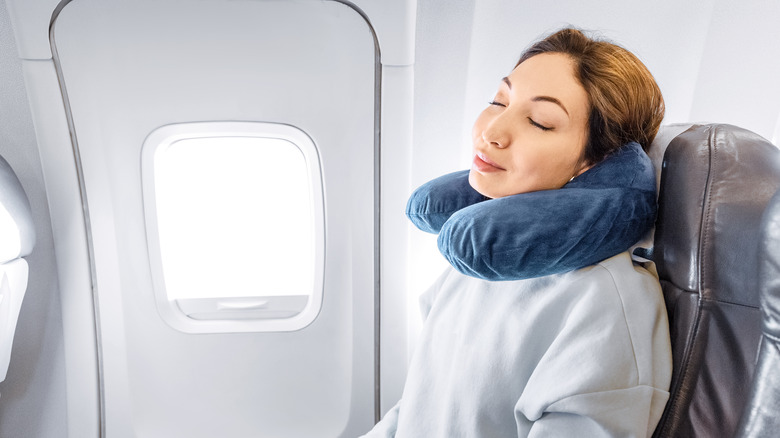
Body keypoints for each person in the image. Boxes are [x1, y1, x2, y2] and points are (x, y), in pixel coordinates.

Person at [362, 27, 672, 437]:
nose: (492, 131)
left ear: (595, 163)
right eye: (498, 101)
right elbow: (418, 407)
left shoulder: (607, 305)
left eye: (539, 122)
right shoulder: (477, 257)